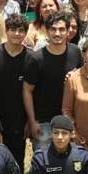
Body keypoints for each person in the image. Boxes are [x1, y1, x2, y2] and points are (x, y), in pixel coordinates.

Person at [23, 12, 83, 149]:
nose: (57, 33)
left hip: (70, 120)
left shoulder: (76, 53)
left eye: (62, 29)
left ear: (68, 31)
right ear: (47, 31)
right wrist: (32, 121)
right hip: (44, 122)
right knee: (44, 163)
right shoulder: (36, 59)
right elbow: (27, 91)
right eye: (53, 29)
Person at [0, 14, 31, 164]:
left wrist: (30, 119)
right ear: (6, 31)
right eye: (13, 30)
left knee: (16, 158)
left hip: (19, 118)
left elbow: (32, 92)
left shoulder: (31, 57)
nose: (17, 34)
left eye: (21, 30)